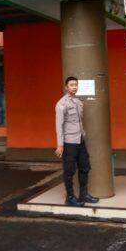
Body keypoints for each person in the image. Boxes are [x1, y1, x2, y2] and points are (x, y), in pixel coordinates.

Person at [55, 76, 99, 207]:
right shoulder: (62, 104)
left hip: (80, 140)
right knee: (69, 170)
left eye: (76, 85)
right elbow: (59, 125)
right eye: (71, 85)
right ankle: (70, 197)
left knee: (85, 167)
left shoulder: (78, 101)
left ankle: (83, 195)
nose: (74, 87)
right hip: (69, 142)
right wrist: (60, 144)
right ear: (66, 87)